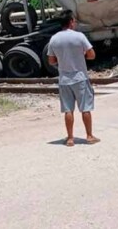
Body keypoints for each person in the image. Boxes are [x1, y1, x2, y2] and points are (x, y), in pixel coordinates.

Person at [47, 10, 100, 147]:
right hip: (80, 77)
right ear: (70, 22)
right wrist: (81, 55)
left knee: (68, 110)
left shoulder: (54, 39)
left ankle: (70, 138)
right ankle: (89, 136)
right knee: (85, 108)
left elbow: (51, 61)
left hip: (64, 79)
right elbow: (92, 55)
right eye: (74, 21)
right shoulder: (79, 36)